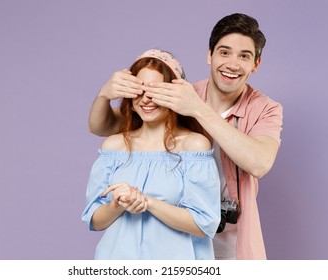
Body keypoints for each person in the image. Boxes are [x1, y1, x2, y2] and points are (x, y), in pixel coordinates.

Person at [87, 13, 283, 260]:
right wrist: (104, 94)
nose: (232, 64)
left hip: (230, 237)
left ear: (255, 63)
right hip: (172, 236)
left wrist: (197, 108)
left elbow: (259, 162)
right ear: (209, 54)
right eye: (224, 52)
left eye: (244, 56)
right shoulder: (177, 90)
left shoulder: (265, 108)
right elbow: (107, 125)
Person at [82, 49, 221, 260]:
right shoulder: (114, 146)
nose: (146, 99)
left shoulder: (194, 146)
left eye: (156, 90)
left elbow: (204, 224)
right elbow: (95, 219)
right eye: (139, 89)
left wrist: (148, 202)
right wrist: (117, 204)